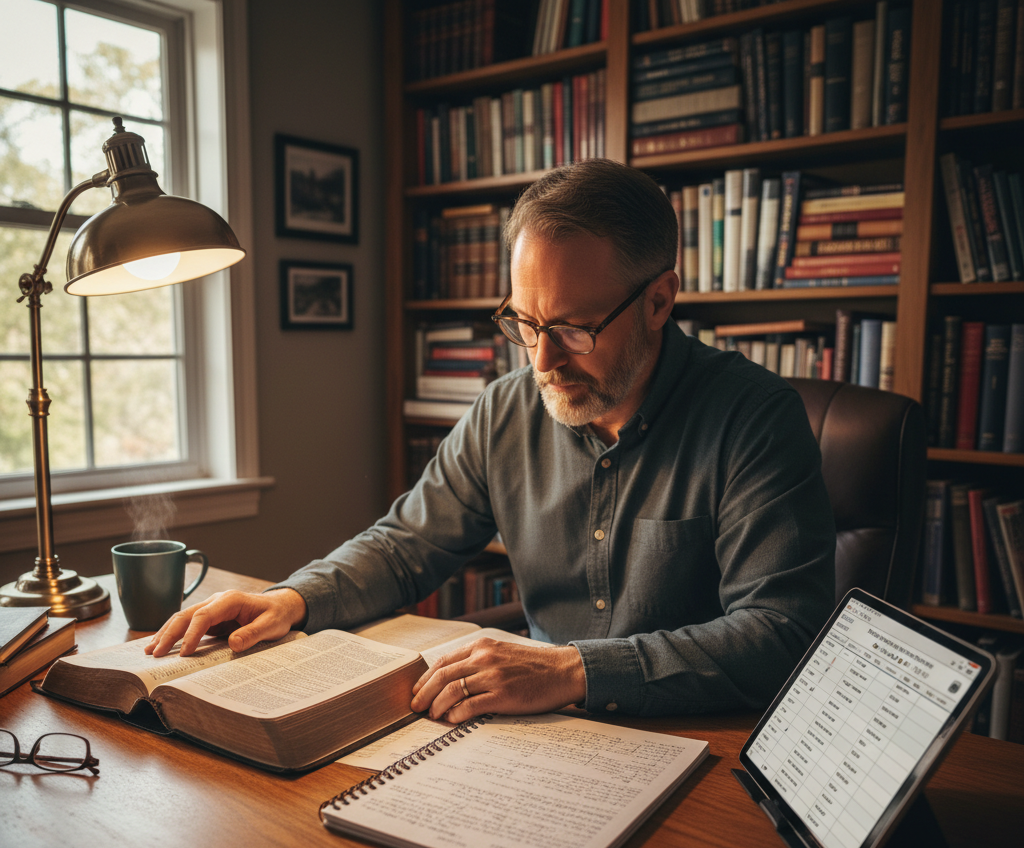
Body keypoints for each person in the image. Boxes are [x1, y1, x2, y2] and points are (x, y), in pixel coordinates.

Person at [147, 159, 836, 725]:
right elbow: (404, 546)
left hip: (696, 738)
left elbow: (780, 632)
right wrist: (292, 598)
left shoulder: (755, 419)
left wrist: (571, 670)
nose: (541, 362)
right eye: (524, 322)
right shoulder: (505, 411)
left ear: (659, 300)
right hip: (532, 733)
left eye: (573, 329)